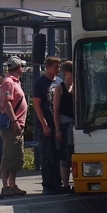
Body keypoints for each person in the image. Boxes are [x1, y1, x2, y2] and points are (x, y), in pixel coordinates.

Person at [32, 56, 64, 194]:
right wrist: (44, 124)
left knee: (58, 155)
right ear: (48, 67)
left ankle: (58, 182)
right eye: (55, 67)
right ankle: (47, 184)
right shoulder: (40, 83)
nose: (58, 69)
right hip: (47, 123)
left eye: (59, 67)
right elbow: (37, 105)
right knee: (47, 155)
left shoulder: (59, 82)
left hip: (58, 123)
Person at [0, 56, 28, 197]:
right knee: (9, 155)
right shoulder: (8, 82)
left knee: (17, 155)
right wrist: (15, 120)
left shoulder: (15, 82)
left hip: (17, 124)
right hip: (12, 125)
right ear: (19, 68)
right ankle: (5, 186)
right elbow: (7, 103)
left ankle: (12, 184)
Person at [54, 60, 76, 193]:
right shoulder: (59, 88)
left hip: (75, 125)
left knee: (74, 154)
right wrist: (57, 129)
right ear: (66, 72)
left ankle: (76, 182)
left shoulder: (77, 87)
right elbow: (56, 110)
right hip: (63, 125)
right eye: (72, 72)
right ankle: (66, 184)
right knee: (65, 156)